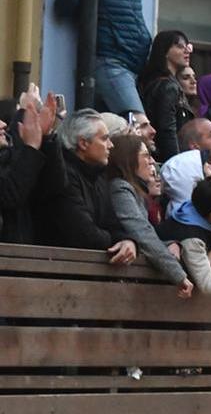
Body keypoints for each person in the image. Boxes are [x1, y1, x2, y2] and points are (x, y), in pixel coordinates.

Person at [32, 109, 136, 264]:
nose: (111, 145)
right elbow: (84, 234)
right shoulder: (62, 175)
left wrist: (128, 241)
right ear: (83, 143)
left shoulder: (99, 177)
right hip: (57, 268)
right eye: (104, 139)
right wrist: (114, 241)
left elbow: (114, 223)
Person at [106, 134, 191, 295]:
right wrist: (178, 275)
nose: (152, 162)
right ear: (129, 160)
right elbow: (141, 231)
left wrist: (170, 244)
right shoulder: (120, 188)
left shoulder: (136, 192)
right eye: (146, 156)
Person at [0, 89, 62, 244]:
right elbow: (10, 194)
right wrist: (32, 147)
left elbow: (55, 187)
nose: (3, 124)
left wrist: (46, 138)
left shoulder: (8, 155)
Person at [138, 31, 195, 162]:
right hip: (167, 160)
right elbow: (167, 130)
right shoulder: (168, 87)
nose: (187, 51)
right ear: (165, 51)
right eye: (180, 46)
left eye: (187, 47)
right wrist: (176, 163)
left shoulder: (162, 82)